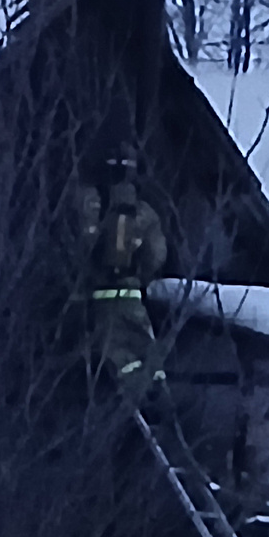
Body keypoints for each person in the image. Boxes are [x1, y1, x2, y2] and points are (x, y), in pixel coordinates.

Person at [77, 169, 170, 408]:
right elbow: (156, 255)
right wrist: (140, 278)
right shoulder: (145, 212)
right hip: (131, 295)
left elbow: (76, 244)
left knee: (116, 352)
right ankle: (158, 404)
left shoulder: (87, 199)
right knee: (147, 351)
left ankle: (129, 402)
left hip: (99, 296)